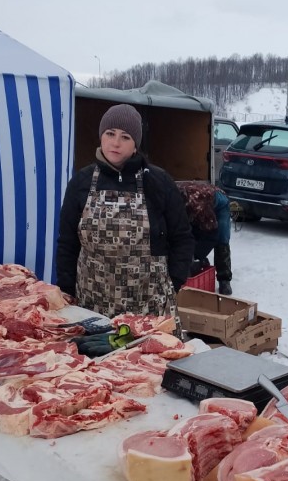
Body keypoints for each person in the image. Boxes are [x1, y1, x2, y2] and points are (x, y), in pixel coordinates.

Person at [56, 104, 193, 334]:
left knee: (149, 367)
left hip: (148, 306)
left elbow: (182, 237)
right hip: (92, 305)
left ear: (135, 144)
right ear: (101, 136)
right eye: (110, 134)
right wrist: (68, 288)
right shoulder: (81, 182)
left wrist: (175, 281)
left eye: (125, 136)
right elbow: (67, 242)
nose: (115, 143)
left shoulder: (158, 182)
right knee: (97, 367)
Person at [176, 181, 233, 295]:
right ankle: (199, 261)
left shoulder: (196, 204)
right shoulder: (167, 198)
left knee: (221, 238)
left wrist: (196, 255)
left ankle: (224, 279)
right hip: (196, 198)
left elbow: (212, 234)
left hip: (218, 202)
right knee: (191, 231)